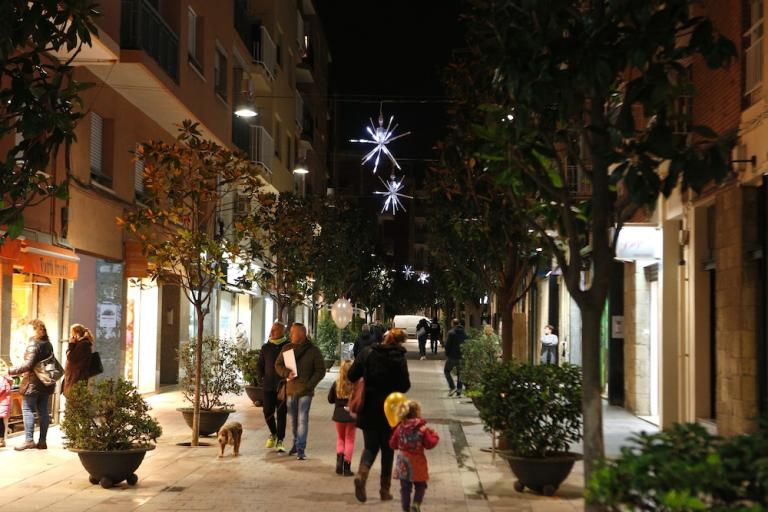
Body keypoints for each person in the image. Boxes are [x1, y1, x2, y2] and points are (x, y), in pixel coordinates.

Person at [348, 328, 411, 503]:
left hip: (368, 406)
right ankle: (385, 490)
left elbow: (351, 375)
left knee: (370, 447)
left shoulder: (367, 353)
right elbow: (405, 385)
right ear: (400, 342)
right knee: (388, 449)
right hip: (390, 409)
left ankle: (362, 474)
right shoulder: (399, 358)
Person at [275, 322, 326, 460]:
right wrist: (286, 373)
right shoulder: (287, 348)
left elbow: (320, 370)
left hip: (305, 392)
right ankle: (295, 443)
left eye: (293, 332)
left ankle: (300, 448)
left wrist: (310, 385)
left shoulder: (314, 351)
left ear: (301, 334)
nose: (290, 334)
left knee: (302, 419)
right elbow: (278, 364)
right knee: (293, 420)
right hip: (291, 390)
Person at [7, 319, 55, 450]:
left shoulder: (34, 343)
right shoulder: (48, 344)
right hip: (45, 382)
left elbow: (28, 365)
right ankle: (42, 441)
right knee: (43, 411)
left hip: (33, 382)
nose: (26, 331)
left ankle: (29, 440)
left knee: (27, 409)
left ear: (35, 329)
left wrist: (10, 371)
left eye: (28, 328)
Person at [389, 400, 440, 512]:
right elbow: (429, 444)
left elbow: (392, 444)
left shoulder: (400, 428)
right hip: (418, 462)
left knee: (405, 487)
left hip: (403, 462)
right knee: (420, 485)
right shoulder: (422, 429)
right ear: (417, 412)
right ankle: (416, 505)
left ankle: (405, 508)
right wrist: (435, 436)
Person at [257, 322, 289, 452]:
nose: (272, 332)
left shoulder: (287, 347)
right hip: (268, 386)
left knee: (281, 414)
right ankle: (273, 433)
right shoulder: (266, 347)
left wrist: (288, 382)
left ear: (282, 331)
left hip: (282, 387)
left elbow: (291, 367)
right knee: (267, 412)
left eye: (275, 330)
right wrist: (261, 379)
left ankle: (280, 440)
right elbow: (260, 365)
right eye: (272, 329)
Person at [328, 359, 356, 476]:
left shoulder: (337, 384)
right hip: (351, 416)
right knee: (350, 439)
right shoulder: (356, 385)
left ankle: (339, 462)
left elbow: (330, 399)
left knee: (341, 438)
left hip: (339, 415)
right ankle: (347, 467)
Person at [63, 323, 94, 397]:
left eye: (72, 333)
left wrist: (71, 344)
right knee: (72, 398)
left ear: (77, 334)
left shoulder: (83, 345)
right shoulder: (80, 344)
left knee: (73, 398)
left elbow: (71, 357)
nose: (71, 336)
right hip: (74, 377)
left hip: (76, 377)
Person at [444, 319, 467, 397]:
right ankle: (459, 390)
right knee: (460, 373)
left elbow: (447, 345)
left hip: (452, 356)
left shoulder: (451, 333)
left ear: (453, 324)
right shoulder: (464, 333)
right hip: (462, 356)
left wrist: (447, 354)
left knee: (447, 371)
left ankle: (452, 387)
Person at [0, 359, 11, 448]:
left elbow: (1, 389)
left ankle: (1, 440)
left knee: (0, 422)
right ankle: (2, 440)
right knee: (1, 422)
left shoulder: (2, 377)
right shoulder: (6, 377)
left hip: (1, 403)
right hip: (3, 403)